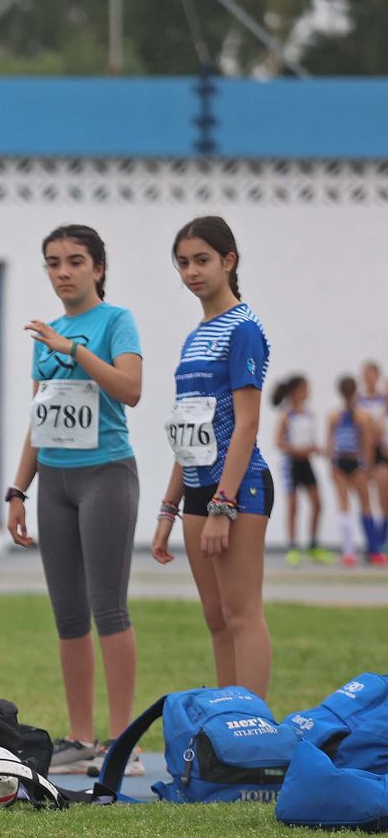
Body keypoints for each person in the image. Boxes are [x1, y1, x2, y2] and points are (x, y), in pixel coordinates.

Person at [5, 225, 143, 776]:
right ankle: (81, 736)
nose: (63, 271)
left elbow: (130, 389)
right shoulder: (49, 331)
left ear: (98, 268)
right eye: (53, 263)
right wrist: (19, 488)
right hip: (55, 483)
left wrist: (73, 350)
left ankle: (122, 742)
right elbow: (41, 418)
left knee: (108, 608)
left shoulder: (115, 321)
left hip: (105, 475)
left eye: (75, 261)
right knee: (67, 615)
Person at [151, 216, 272, 697]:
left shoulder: (243, 329)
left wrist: (225, 503)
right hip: (198, 488)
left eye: (202, 260)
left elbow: (247, 422)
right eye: (182, 263)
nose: (191, 272)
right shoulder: (195, 335)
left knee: (242, 615)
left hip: (239, 488)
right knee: (217, 620)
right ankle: (228, 727)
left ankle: (256, 734)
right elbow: (190, 430)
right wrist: (168, 508)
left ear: (228, 261)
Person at [269, 375, 329, 566]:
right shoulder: (287, 414)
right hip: (291, 464)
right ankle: (293, 547)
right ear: (295, 391)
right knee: (294, 507)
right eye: (305, 388)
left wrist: (316, 448)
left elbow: (309, 440)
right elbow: (279, 442)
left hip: (306, 463)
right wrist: (298, 450)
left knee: (318, 504)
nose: (308, 392)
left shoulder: (309, 414)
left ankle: (313, 545)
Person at [326, 376, 375, 568]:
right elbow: (367, 445)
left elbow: (330, 445)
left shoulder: (340, 416)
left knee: (346, 504)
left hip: (345, 461)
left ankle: (351, 551)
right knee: (363, 504)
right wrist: (367, 467)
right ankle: (368, 550)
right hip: (350, 461)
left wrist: (332, 464)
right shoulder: (358, 416)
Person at [355, 360, 388, 564]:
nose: (369, 378)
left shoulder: (384, 400)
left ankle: (382, 542)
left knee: (384, 499)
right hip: (364, 453)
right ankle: (372, 545)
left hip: (382, 452)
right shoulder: (359, 401)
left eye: (372, 374)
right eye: (366, 374)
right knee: (365, 500)